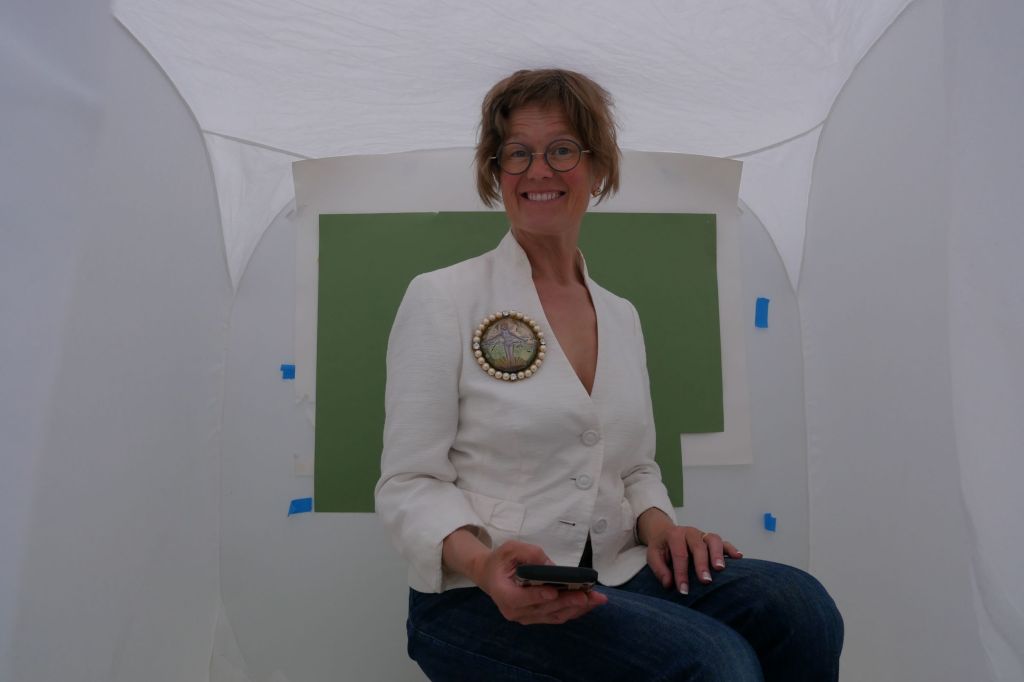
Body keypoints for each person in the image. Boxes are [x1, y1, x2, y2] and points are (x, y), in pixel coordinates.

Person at [375, 68, 843, 681]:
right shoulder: (442, 297)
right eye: (517, 153)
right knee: (716, 664)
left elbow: (636, 466)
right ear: (496, 171)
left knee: (801, 609)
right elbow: (408, 483)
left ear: (597, 167)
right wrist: (485, 565)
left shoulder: (621, 316)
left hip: (615, 572)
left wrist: (664, 530)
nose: (538, 170)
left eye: (562, 149)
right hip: (478, 599)